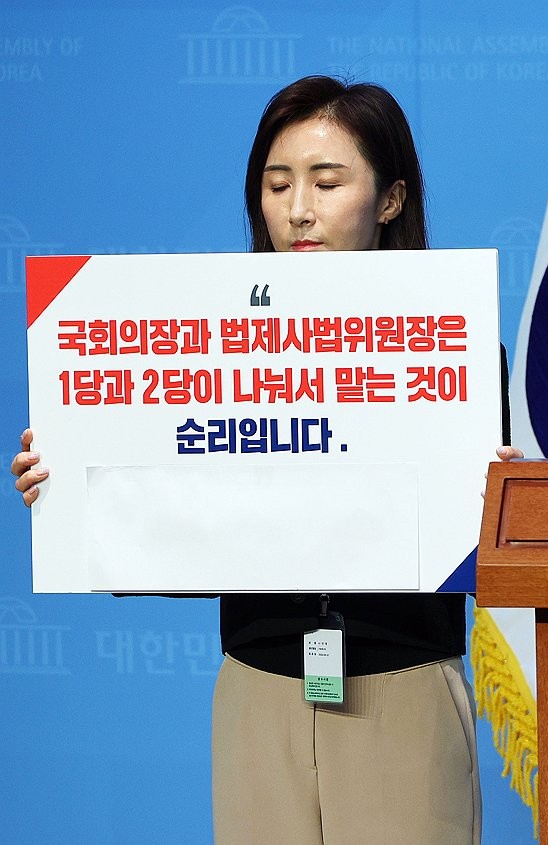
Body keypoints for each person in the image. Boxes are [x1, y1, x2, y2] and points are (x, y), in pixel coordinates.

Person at [11, 75, 507, 844]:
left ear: (390, 198)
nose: (298, 209)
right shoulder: (209, 347)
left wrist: (507, 498)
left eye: (326, 182)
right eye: (277, 185)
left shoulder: (462, 354)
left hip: (403, 688)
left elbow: (497, 549)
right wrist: (74, 487)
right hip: (257, 687)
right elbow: (166, 515)